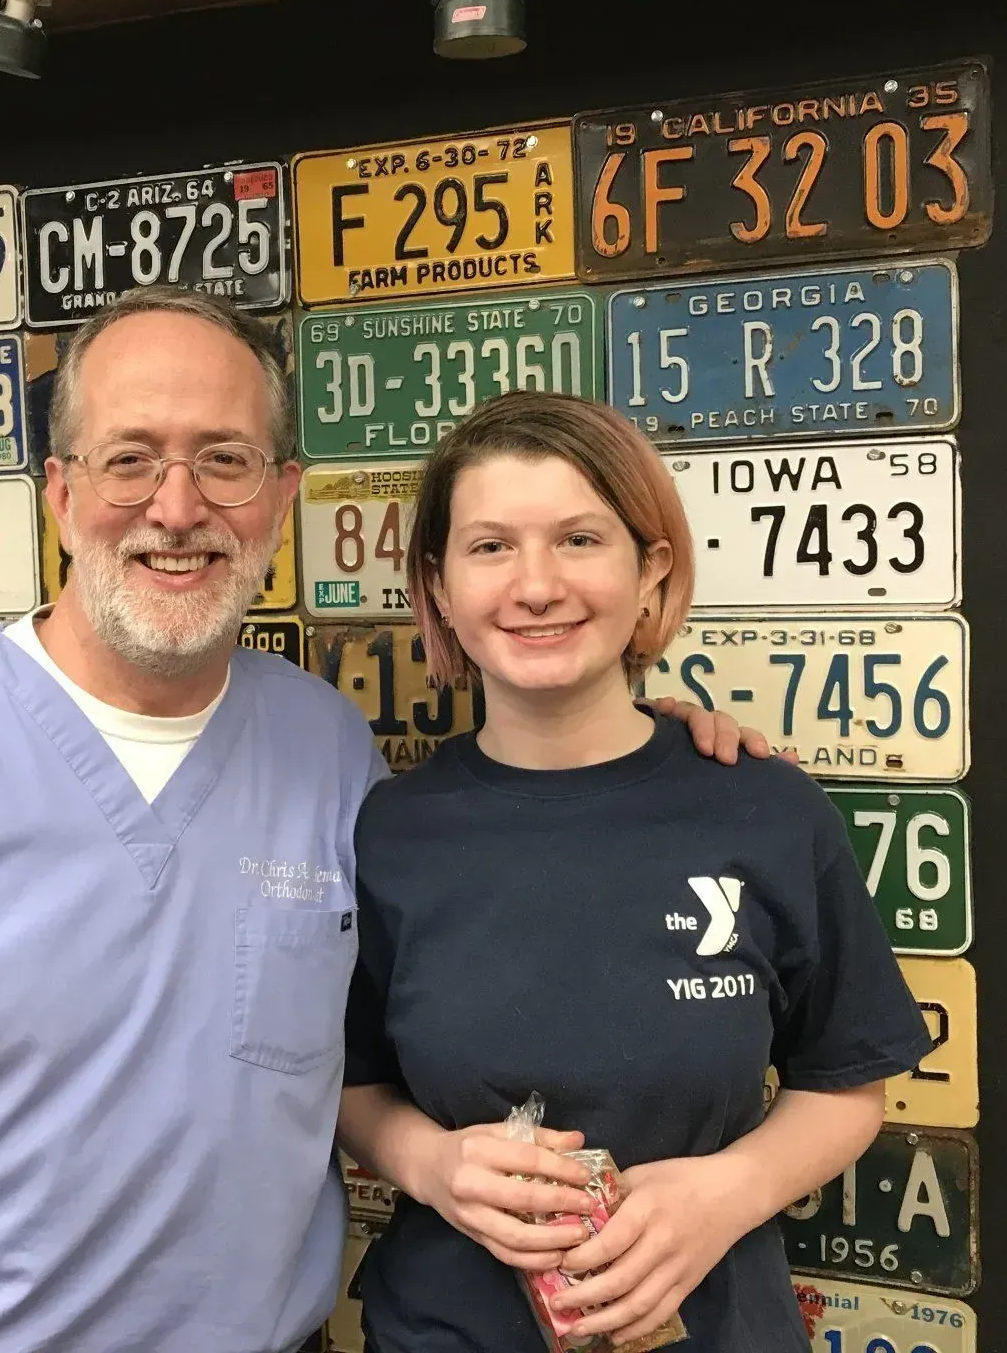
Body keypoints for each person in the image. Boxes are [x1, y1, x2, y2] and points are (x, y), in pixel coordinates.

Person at [0, 288, 769, 1353]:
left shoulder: (332, 757)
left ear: (282, 499)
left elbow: (382, 1043)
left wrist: (650, 742)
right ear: (60, 495)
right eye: (128, 461)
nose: (176, 507)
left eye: (224, 461)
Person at [337, 391, 936, 1352]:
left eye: (580, 539)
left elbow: (844, 1082)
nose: (536, 586)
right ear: (439, 586)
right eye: (490, 547)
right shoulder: (391, 831)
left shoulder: (766, 807)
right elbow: (348, 1082)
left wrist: (727, 1192)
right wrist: (428, 1161)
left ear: (650, 569)